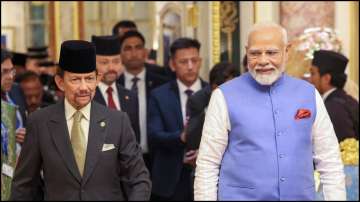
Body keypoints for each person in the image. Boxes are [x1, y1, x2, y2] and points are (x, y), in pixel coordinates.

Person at [194, 22, 346, 200]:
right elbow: (207, 165)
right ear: (246, 51)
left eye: (271, 52)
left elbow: (330, 163)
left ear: (286, 51)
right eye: (255, 53)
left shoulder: (309, 94)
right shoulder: (223, 96)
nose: (263, 60)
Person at [10, 40, 151, 200]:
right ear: (60, 82)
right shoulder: (40, 122)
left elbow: (139, 179)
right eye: (76, 80)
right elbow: (23, 185)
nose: (84, 87)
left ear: (97, 79)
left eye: (89, 79)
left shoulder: (117, 121)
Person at [148, 37, 208, 201]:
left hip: (207, 178)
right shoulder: (159, 96)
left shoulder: (214, 93)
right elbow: (154, 135)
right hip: (171, 179)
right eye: (183, 62)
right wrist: (182, 136)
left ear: (200, 61)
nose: (190, 66)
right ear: (172, 65)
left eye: (194, 60)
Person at [117, 30, 169, 170]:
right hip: (124, 162)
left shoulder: (162, 84)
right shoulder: (115, 86)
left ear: (145, 52)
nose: (133, 53)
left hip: (158, 159)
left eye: (138, 47)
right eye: (128, 48)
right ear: (120, 55)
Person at [92, 35, 140, 145]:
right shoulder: (86, 96)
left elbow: (135, 139)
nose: (111, 68)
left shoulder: (131, 96)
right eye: (104, 63)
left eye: (116, 61)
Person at [186, 62, 238, 151]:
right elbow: (192, 139)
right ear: (212, 87)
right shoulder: (198, 100)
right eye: (218, 92)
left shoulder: (246, 98)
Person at [309, 50, 359, 142]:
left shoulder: (334, 107)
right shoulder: (347, 99)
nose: (310, 80)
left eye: (313, 73)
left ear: (326, 78)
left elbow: (344, 147)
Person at [1, 49, 27, 146]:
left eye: (12, 71)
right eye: (4, 71)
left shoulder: (15, 90)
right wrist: (10, 137)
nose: (10, 77)